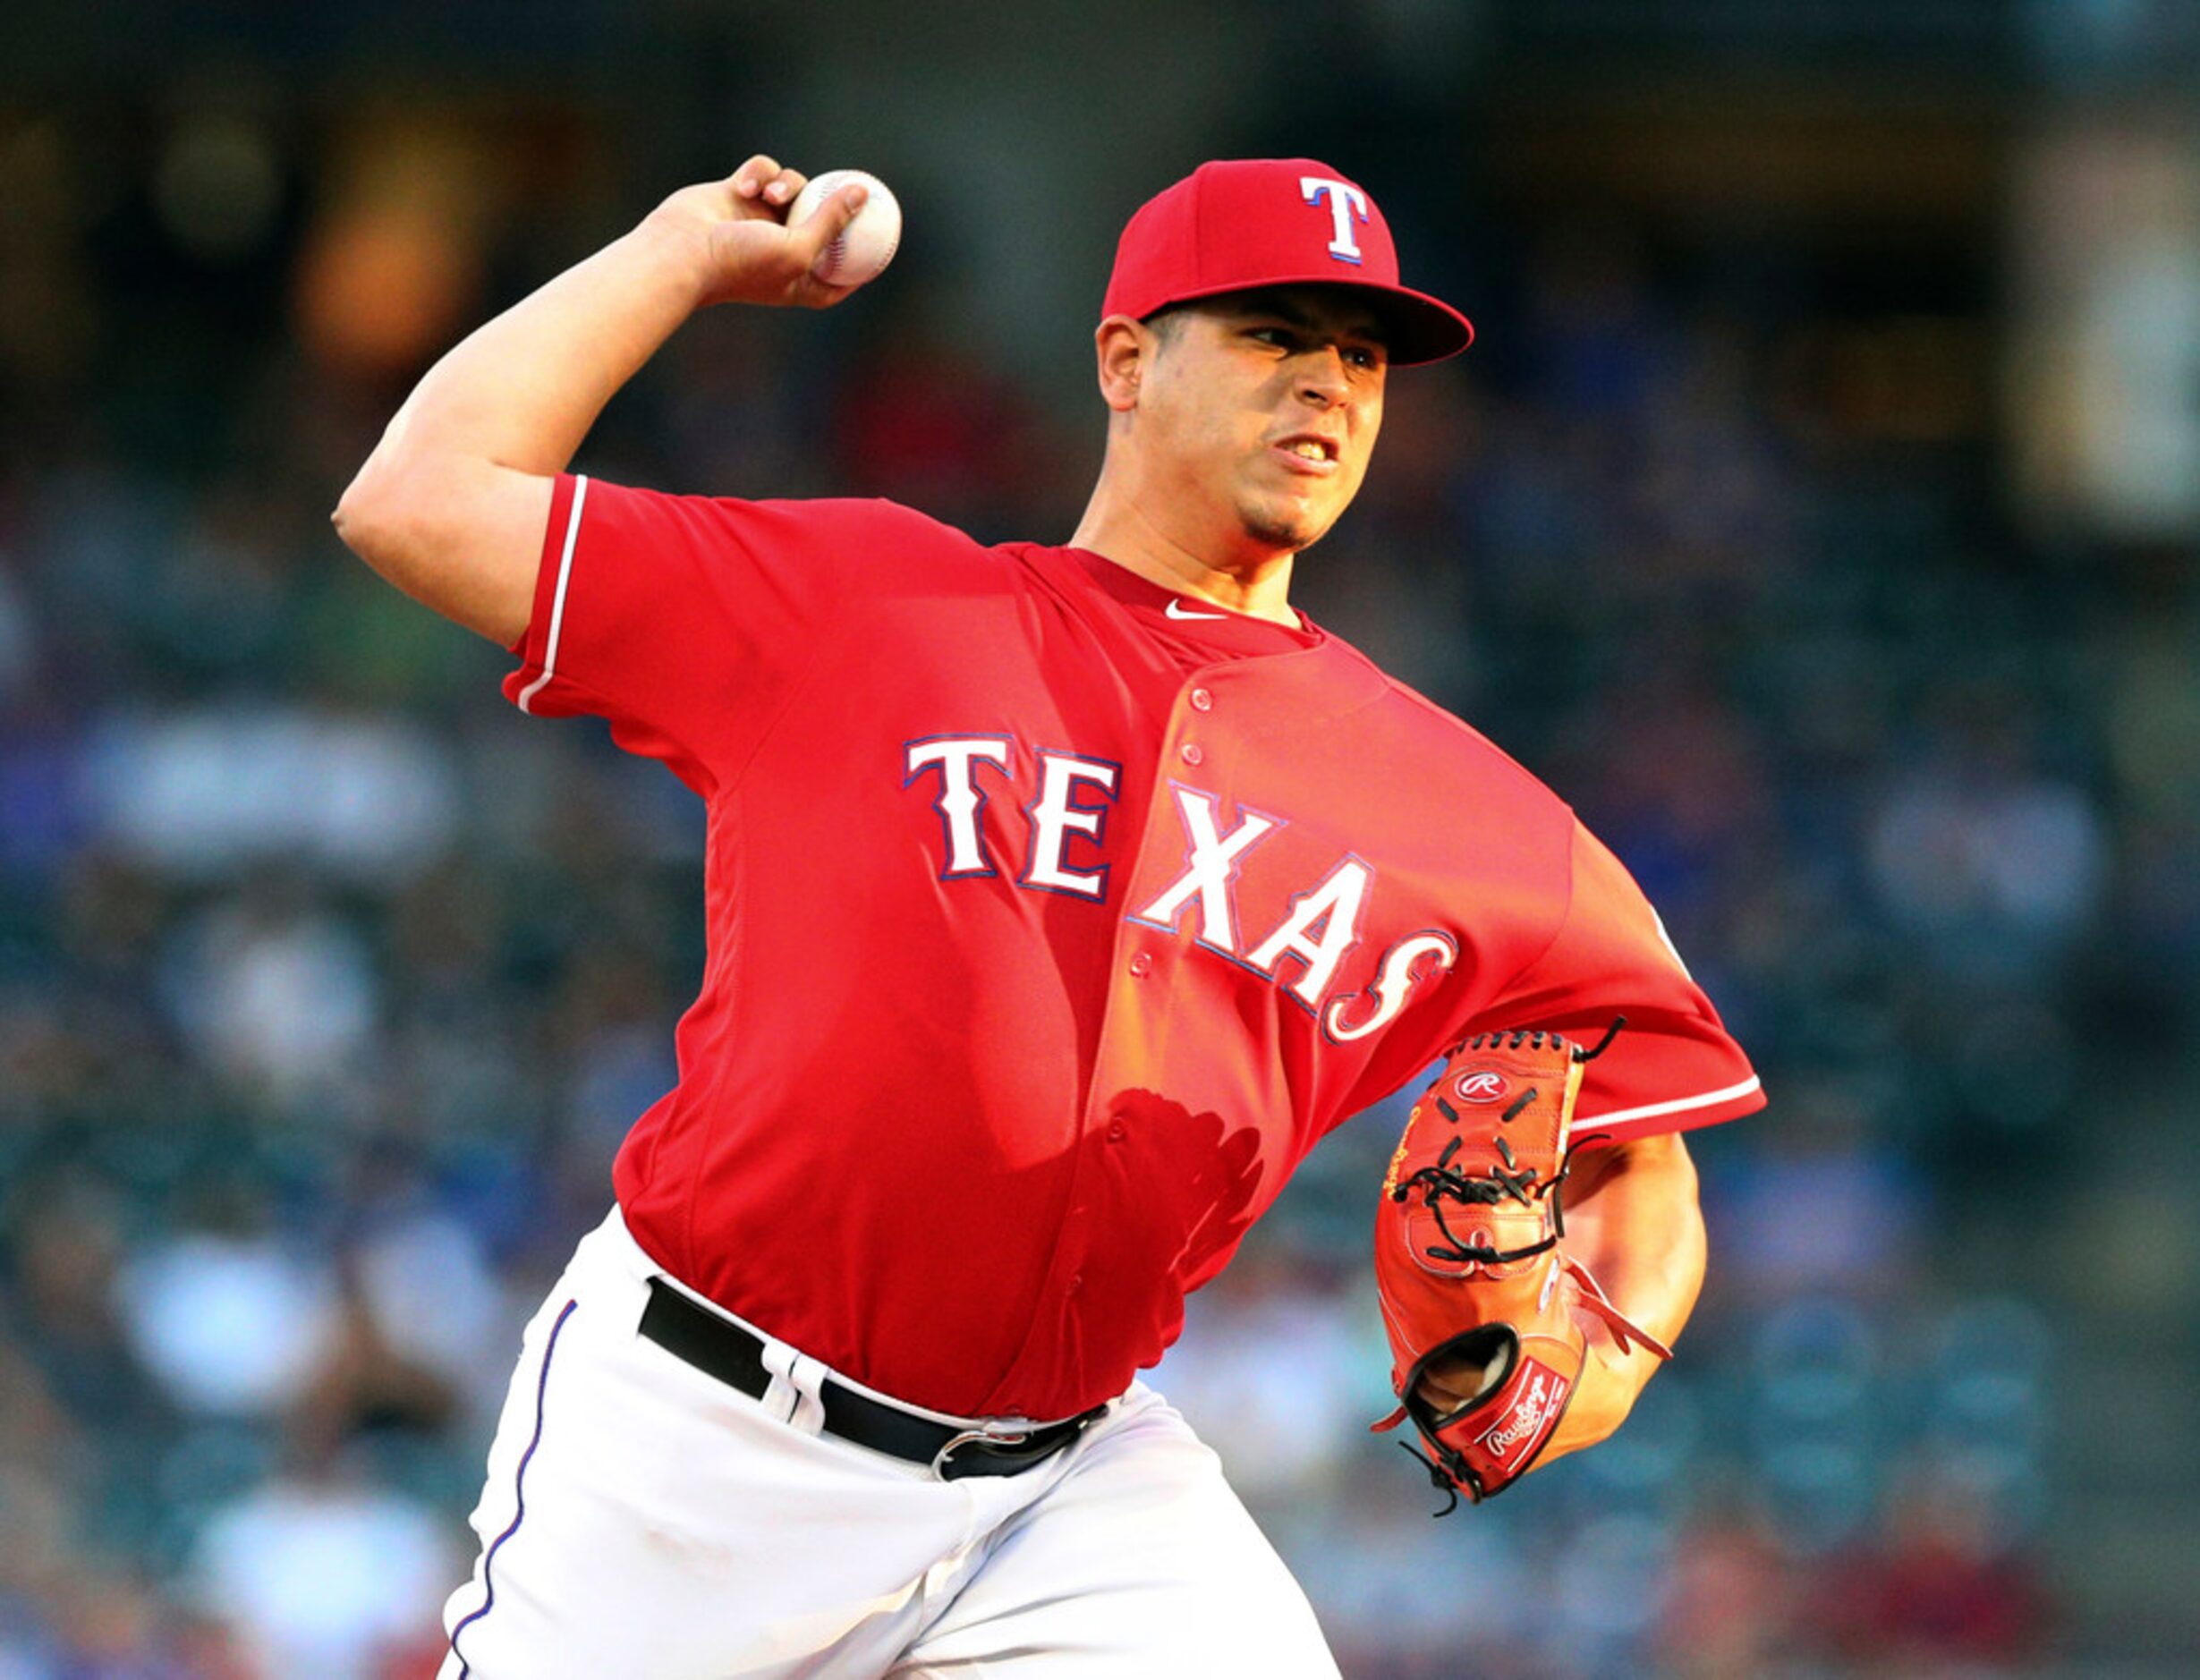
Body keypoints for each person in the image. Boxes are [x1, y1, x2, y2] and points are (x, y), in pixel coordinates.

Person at [335, 152, 1763, 1678]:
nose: (1328, 387)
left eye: (1361, 354)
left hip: (1065, 1485)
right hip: (706, 1441)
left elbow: (1645, 1140)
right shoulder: (866, 601)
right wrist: (675, 255)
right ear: (1125, 360)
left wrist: (1585, 1363)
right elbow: (414, 502)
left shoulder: (1470, 816)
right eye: (1274, 333)